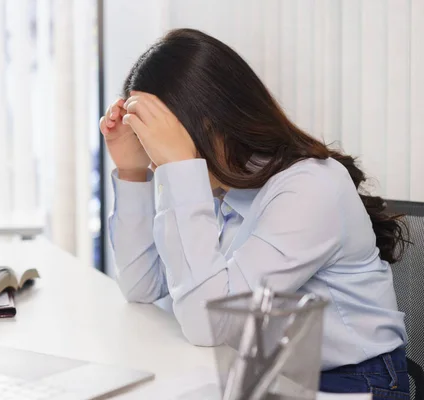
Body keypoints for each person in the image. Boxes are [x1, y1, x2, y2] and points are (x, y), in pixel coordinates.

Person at [99, 28, 409, 398]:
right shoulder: (217, 186)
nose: (153, 155)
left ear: (209, 122)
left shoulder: (310, 187)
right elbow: (141, 287)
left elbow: (209, 324)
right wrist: (133, 173)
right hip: (267, 370)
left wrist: (180, 171)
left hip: (350, 383)